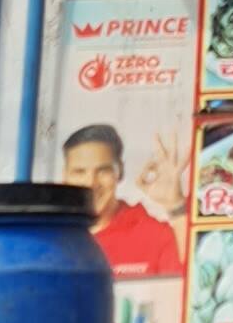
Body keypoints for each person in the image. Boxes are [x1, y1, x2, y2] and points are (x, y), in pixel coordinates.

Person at [62, 120, 185, 282]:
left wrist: (175, 205)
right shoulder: (51, 238)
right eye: (79, 172)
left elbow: (189, 288)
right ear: (65, 176)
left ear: (119, 171)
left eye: (102, 171)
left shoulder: (154, 236)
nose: (91, 183)